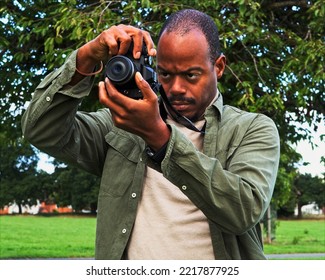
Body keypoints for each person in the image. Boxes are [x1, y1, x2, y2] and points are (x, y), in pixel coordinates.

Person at [22, 9, 280, 260]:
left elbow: (244, 211)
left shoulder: (252, 129)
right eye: (165, 73)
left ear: (219, 66)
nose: (176, 87)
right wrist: (87, 57)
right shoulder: (122, 125)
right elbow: (41, 129)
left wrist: (159, 136)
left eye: (191, 75)